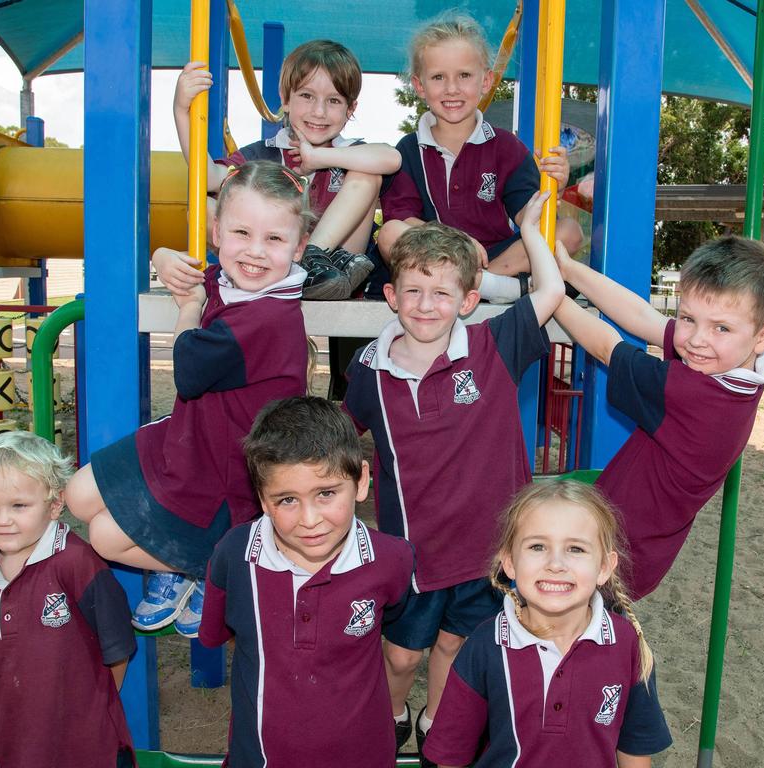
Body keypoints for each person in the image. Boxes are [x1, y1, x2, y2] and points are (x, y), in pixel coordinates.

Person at [342, 190, 565, 764]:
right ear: (391, 295)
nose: (425, 305)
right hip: (413, 551)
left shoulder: (493, 346)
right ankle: (391, 713)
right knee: (401, 655)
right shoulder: (370, 369)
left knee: (457, 645)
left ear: (467, 301)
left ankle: (438, 722)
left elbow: (551, 291)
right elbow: (337, 438)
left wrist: (530, 229)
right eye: (412, 290)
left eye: (441, 293)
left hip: (484, 550)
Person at [66, 160, 312, 636]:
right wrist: (162, 256)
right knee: (77, 495)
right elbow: (199, 272)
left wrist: (188, 307)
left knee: (103, 535)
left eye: (275, 239)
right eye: (242, 233)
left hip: (224, 473)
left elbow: (186, 371)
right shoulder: (237, 280)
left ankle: (200, 566)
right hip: (190, 436)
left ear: (299, 246)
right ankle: (181, 561)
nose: (256, 252)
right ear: (217, 231)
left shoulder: (269, 317)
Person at [552, 235, 764, 599]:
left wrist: (551, 294)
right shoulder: (739, 373)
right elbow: (644, 316)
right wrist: (570, 269)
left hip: (610, 556)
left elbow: (604, 347)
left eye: (720, 327)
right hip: (632, 548)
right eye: (687, 318)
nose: (695, 339)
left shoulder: (697, 393)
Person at [199, 396, 415, 767]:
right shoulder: (234, 556)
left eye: (326, 493)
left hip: (364, 754)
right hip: (260, 756)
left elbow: (400, 645)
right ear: (262, 500)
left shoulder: (394, 560)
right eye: (286, 500)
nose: (309, 519)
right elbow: (231, 634)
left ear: (361, 481)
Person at [423, 480, 672, 767]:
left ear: (604, 567)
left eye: (576, 549)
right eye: (538, 546)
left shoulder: (627, 644)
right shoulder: (485, 645)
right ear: (509, 562)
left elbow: (635, 750)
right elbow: (451, 756)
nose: (556, 564)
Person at [164, 40, 402, 300]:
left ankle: (312, 258)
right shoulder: (262, 154)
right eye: (306, 96)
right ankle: (288, 267)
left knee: (367, 171)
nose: (318, 111)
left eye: (333, 100)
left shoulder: (349, 151)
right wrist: (181, 111)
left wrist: (318, 157)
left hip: (336, 267)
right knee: (205, 206)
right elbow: (209, 178)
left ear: (350, 109)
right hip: (273, 259)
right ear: (285, 98)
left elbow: (391, 158)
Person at [0, 431, 136, 768]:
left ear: (54, 505)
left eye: (19, 505)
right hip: (10, 737)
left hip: (84, 739)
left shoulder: (77, 563)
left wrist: (92, 708)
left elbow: (117, 649)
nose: (3, 519)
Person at [378, 12, 570, 304]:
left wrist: (554, 187)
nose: (452, 88)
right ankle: (500, 288)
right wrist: (455, 241)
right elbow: (403, 219)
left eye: (464, 75)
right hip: (438, 260)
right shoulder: (407, 150)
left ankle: (485, 282)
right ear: (420, 86)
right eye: (438, 77)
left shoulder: (506, 147)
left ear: (485, 81)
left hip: (495, 259)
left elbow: (529, 218)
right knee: (389, 233)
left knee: (566, 231)